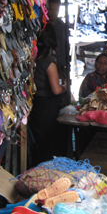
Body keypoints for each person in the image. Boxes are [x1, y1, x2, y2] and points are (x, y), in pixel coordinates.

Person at [28, 24, 68, 167]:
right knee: (48, 141)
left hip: (37, 105)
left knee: (40, 141)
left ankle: (38, 168)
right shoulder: (49, 63)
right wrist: (65, 86)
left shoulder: (35, 60)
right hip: (47, 108)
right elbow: (56, 90)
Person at [47, 0, 69, 72]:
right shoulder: (42, 26)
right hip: (48, 68)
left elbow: (66, 46)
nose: (54, 13)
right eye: (51, 9)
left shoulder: (61, 25)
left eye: (56, 9)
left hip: (62, 67)